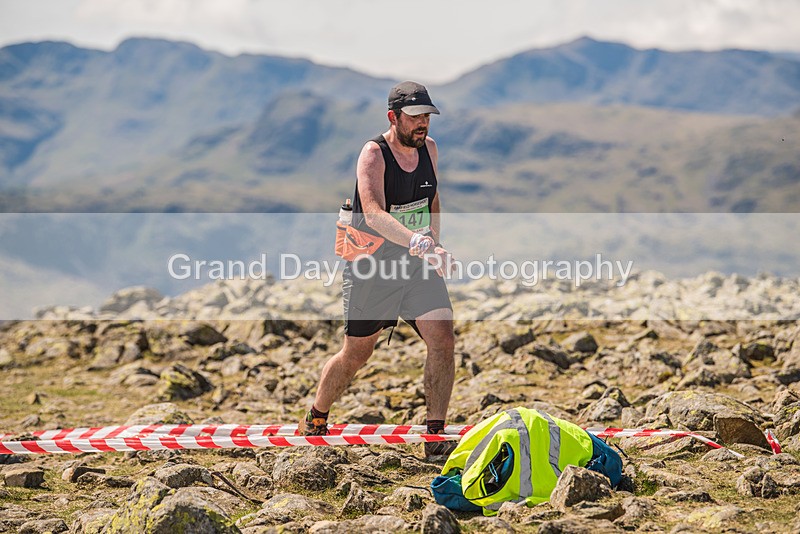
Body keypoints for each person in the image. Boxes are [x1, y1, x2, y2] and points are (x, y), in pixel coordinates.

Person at [299, 81, 457, 460]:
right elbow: (372, 212)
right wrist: (416, 240)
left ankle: (435, 435)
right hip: (372, 266)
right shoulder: (374, 154)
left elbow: (433, 198)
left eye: (427, 116)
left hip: (415, 264)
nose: (422, 124)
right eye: (415, 117)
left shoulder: (430, 149)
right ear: (393, 117)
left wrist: (432, 243)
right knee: (356, 353)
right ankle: (317, 415)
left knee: (442, 337)